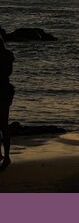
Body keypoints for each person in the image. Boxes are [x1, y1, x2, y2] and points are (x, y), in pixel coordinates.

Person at [0, 37, 15, 171]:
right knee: (3, 125)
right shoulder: (8, 56)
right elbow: (9, 72)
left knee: (3, 126)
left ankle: (5, 157)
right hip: (5, 92)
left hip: (3, 92)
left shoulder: (5, 57)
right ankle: (5, 156)